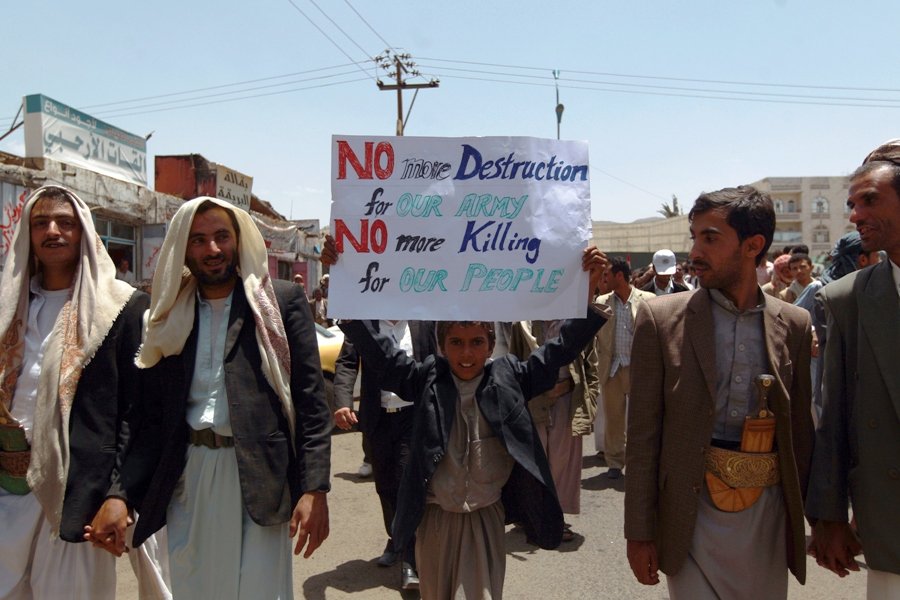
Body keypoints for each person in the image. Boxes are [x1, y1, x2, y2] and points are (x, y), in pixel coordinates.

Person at [327, 239, 609, 599]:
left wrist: (582, 298)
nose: (466, 353)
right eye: (456, 342)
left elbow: (558, 351)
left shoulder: (509, 377)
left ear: (491, 345)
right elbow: (382, 355)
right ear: (442, 346)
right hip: (433, 520)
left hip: (485, 520)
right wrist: (346, 285)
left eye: (477, 342)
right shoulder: (427, 377)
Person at [88, 197, 331, 599]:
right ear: (183, 248)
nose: (212, 249)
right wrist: (120, 494)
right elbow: (147, 417)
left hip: (261, 477)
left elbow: (310, 404)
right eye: (198, 240)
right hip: (191, 476)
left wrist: (315, 489)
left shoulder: (280, 302)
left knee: (261, 592)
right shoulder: (166, 315)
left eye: (221, 236)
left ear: (238, 240)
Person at [624, 185, 814, 599]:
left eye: (710, 238)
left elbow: (801, 430)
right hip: (691, 514)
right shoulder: (660, 319)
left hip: (766, 514)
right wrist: (639, 532)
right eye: (694, 237)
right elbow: (642, 436)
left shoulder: (794, 323)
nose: (695, 251)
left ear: (753, 245)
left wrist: (822, 518)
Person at [0, 186, 153, 598]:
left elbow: (136, 413)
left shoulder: (121, 308)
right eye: (41, 223)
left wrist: (120, 496)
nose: (53, 231)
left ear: (83, 230)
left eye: (64, 222)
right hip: (8, 486)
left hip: (79, 492)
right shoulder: (8, 305)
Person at [806, 139, 900, 597]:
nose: (855, 216)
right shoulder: (848, 300)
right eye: (851, 204)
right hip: (891, 535)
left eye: (869, 201)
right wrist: (828, 517)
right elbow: (835, 417)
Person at [333, 319, 436, 590]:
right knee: (385, 486)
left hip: (413, 417)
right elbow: (346, 363)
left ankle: (411, 562)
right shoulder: (365, 325)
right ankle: (396, 537)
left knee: (406, 485)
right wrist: (343, 403)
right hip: (377, 419)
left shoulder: (424, 322)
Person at [504, 318, 599, 539]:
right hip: (535, 400)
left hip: (568, 399)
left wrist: (590, 402)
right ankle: (531, 515)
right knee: (533, 463)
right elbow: (514, 363)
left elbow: (591, 366)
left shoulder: (577, 322)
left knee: (562, 462)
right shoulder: (523, 325)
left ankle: (556, 519)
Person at [593, 256, 656, 479]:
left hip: (639, 369)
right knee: (613, 419)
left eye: (607, 274)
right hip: (612, 369)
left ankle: (641, 461)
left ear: (619, 276)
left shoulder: (648, 300)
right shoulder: (601, 301)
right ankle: (614, 462)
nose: (604, 278)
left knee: (642, 419)